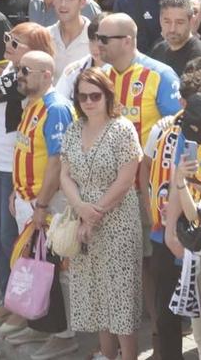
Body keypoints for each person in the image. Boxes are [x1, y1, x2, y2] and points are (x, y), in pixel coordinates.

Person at [57, 63, 146, 359]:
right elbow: (64, 175)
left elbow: (125, 180)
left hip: (118, 220)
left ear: (108, 96)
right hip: (84, 217)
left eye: (95, 96)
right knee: (95, 296)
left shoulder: (122, 130)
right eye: (83, 97)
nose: (89, 102)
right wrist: (82, 209)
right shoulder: (73, 129)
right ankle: (107, 355)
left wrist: (94, 214)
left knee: (121, 298)